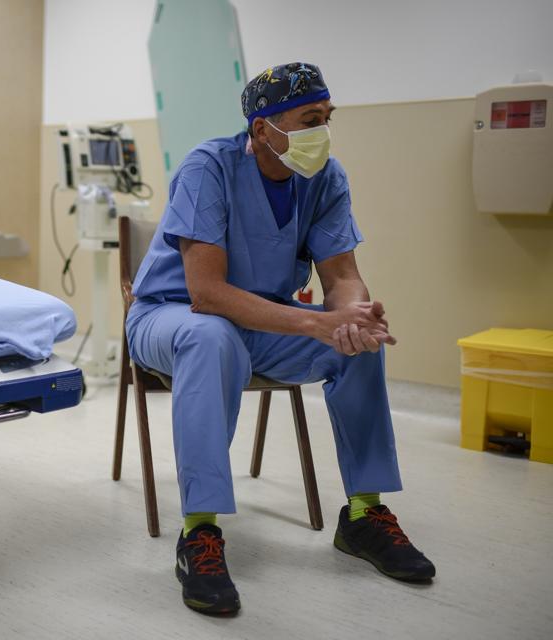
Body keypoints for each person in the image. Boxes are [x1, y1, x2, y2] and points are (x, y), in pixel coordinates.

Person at [126, 62, 435, 615]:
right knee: (210, 336)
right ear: (262, 128)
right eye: (309, 118)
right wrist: (314, 322)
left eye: (327, 117)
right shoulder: (208, 168)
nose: (323, 130)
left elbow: (341, 274)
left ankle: (364, 515)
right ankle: (199, 533)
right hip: (170, 317)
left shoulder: (326, 178)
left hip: (264, 323)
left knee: (355, 346)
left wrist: (351, 316)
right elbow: (208, 294)